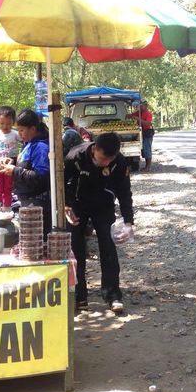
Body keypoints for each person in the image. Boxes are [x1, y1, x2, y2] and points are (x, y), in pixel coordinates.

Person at [64, 132, 134, 314]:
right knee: (76, 250)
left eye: (109, 160)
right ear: (94, 149)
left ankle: (112, 295)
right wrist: (66, 207)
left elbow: (124, 192)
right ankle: (79, 297)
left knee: (109, 248)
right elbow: (62, 184)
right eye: (103, 159)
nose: (106, 164)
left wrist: (128, 222)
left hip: (104, 206)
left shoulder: (119, 162)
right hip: (78, 206)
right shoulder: (75, 156)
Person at [0, 109, 51, 236]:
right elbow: (27, 164)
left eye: (22, 130)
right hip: (27, 201)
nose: (19, 134)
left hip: (38, 204)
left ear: (32, 129)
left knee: (36, 242)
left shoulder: (41, 147)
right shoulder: (29, 143)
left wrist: (15, 170)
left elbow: (41, 177)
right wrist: (13, 161)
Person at [129, 100, 154, 170]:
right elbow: (131, 115)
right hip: (142, 133)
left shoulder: (148, 113)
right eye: (139, 106)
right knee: (144, 150)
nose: (140, 107)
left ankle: (148, 167)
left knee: (147, 149)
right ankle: (146, 166)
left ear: (145, 106)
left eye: (141, 106)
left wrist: (139, 119)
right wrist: (129, 116)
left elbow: (148, 124)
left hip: (147, 133)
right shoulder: (139, 113)